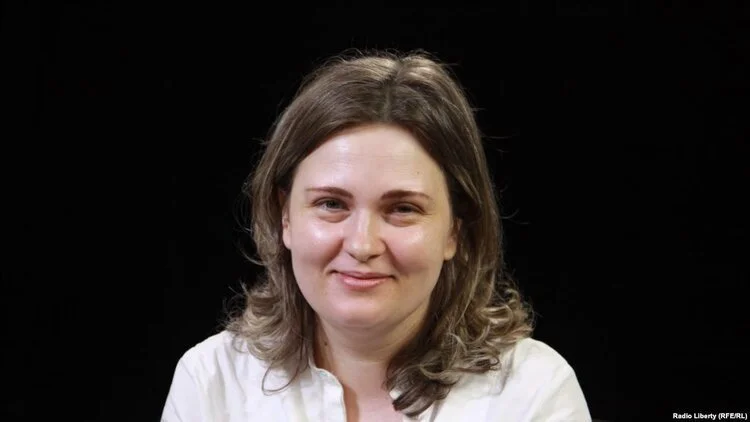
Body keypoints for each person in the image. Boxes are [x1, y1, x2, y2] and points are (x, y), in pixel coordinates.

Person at [161, 50, 591, 422]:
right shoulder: (212, 382)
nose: (362, 245)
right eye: (332, 203)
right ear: (284, 217)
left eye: (403, 209)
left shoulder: (533, 392)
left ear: (454, 232)